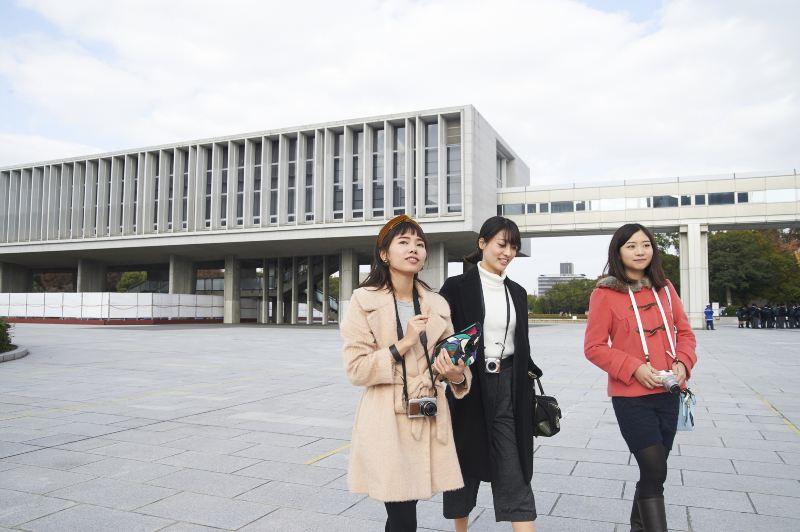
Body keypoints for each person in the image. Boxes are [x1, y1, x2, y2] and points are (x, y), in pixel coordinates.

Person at [341, 214, 472, 531]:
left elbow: (454, 363)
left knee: (406, 508)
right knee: (401, 513)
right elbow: (356, 369)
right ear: (384, 254)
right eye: (403, 242)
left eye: (419, 243)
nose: (414, 249)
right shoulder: (364, 300)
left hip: (427, 414)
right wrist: (405, 343)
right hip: (386, 418)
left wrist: (457, 374)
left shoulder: (437, 304)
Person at [584, 223, 697, 532]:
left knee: (655, 474)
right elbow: (593, 347)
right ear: (618, 252)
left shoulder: (665, 288)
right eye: (631, 245)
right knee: (654, 466)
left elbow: (685, 333)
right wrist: (633, 367)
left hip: (670, 393)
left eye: (645, 245)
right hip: (632, 398)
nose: (640, 251)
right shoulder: (604, 294)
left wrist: (683, 364)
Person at [439, 216, 539, 532]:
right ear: (482, 243)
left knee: (515, 469)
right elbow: (444, 339)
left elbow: (520, 345)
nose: (508, 252)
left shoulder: (518, 293)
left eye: (513, 247)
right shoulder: (456, 286)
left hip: (510, 387)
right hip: (468, 386)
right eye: (501, 244)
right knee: (463, 468)